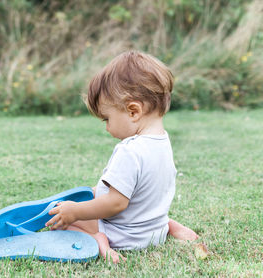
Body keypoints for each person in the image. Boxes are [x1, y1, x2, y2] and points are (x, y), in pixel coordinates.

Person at [45, 50, 199, 263]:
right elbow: (144, 190)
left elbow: (116, 204)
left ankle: (99, 241)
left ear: (133, 111)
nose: (107, 128)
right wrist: (95, 192)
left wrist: (75, 211)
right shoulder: (162, 141)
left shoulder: (129, 150)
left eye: (106, 119)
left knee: (65, 223)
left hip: (125, 235)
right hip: (153, 231)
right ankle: (170, 227)